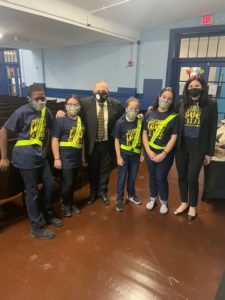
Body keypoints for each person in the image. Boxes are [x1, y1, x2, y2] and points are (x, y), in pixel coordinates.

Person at [0, 84, 63, 239]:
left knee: (50, 185)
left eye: (43, 98)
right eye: (37, 98)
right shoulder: (22, 112)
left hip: (40, 155)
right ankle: (37, 227)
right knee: (32, 192)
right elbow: (3, 131)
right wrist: (4, 156)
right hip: (24, 157)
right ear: (29, 99)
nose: (41, 101)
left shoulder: (45, 111)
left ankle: (48, 215)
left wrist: (61, 112)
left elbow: (53, 126)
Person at [56, 81, 124, 205]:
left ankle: (103, 192)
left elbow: (123, 120)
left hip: (107, 143)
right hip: (91, 143)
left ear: (108, 92)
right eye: (98, 91)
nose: (101, 93)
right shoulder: (85, 103)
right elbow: (73, 112)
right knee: (93, 170)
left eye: (104, 91)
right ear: (93, 92)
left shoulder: (116, 104)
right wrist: (61, 112)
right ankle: (93, 193)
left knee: (105, 170)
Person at [174, 75, 218, 221]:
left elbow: (212, 130)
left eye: (196, 86)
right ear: (187, 88)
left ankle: (192, 205)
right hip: (181, 145)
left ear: (202, 88)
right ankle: (184, 202)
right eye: (191, 87)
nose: (193, 89)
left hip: (199, 147)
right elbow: (172, 118)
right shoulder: (181, 103)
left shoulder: (210, 104)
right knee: (181, 176)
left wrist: (210, 153)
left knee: (192, 177)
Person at [143, 87, 178, 214]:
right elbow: (145, 133)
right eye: (164, 97)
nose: (166, 100)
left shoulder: (174, 117)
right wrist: (147, 150)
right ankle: (152, 199)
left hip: (165, 154)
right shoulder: (149, 113)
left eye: (169, 99)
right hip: (150, 151)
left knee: (161, 177)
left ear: (172, 101)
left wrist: (163, 154)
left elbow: (174, 137)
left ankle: (164, 201)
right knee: (152, 176)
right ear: (159, 97)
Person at [52, 94, 84, 217]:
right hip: (65, 158)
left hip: (76, 158)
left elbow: (81, 140)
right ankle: (65, 204)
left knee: (74, 183)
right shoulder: (60, 119)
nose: (73, 106)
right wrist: (57, 158)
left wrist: (82, 158)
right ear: (65, 106)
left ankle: (71, 203)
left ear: (79, 106)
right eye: (70, 104)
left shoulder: (81, 120)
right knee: (68, 183)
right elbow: (55, 140)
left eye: (75, 104)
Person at [112, 97, 144, 212]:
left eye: (136, 109)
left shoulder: (140, 121)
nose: (133, 111)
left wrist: (141, 153)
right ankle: (119, 200)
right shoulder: (120, 123)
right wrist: (118, 157)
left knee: (132, 177)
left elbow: (142, 138)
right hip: (124, 156)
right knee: (121, 178)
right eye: (131, 108)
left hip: (135, 155)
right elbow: (116, 140)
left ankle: (131, 195)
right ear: (126, 109)